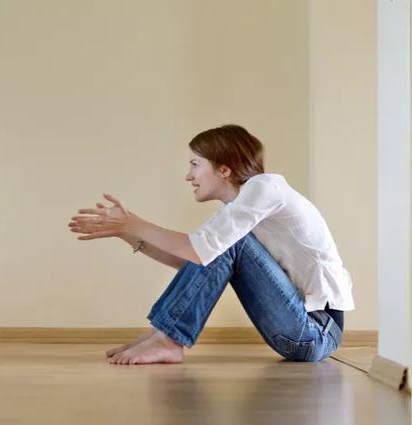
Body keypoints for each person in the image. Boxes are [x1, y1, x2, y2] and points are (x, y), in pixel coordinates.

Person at [69, 124, 353, 365]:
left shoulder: (265, 187)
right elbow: (195, 263)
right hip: (299, 332)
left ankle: (168, 339)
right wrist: (126, 233)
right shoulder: (240, 209)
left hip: (314, 332)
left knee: (218, 245)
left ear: (224, 169)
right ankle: (162, 335)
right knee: (212, 249)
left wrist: (133, 222)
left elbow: (199, 252)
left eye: (195, 164)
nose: (188, 176)